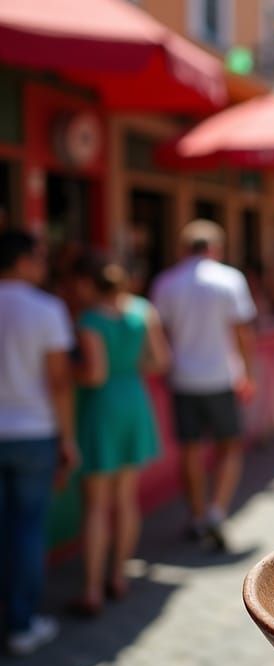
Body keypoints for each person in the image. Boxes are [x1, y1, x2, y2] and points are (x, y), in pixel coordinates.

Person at [68, 254, 169, 615]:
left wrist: (68, 372)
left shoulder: (90, 319)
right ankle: (120, 577)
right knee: (126, 498)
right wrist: (129, 367)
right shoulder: (143, 311)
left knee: (97, 503)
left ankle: (93, 589)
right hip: (134, 400)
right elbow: (160, 361)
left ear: (88, 284)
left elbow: (93, 374)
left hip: (103, 406)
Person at [151, 220, 256, 551]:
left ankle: (198, 515)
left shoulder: (166, 282)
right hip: (222, 377)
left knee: (191, 449)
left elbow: (159, 335)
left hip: (183, 379)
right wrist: (248, 372)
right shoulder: (229, 279)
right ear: (216, 248)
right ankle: (216, 510)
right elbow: (242, 332)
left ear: (184, 248)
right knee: (230, 446)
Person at [0, 228, 77, 655]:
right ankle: (21, 623)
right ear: (25, 260)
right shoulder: (46, 309)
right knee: (28, 530)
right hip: (32, 434)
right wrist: (68, 439)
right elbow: (59, 382)